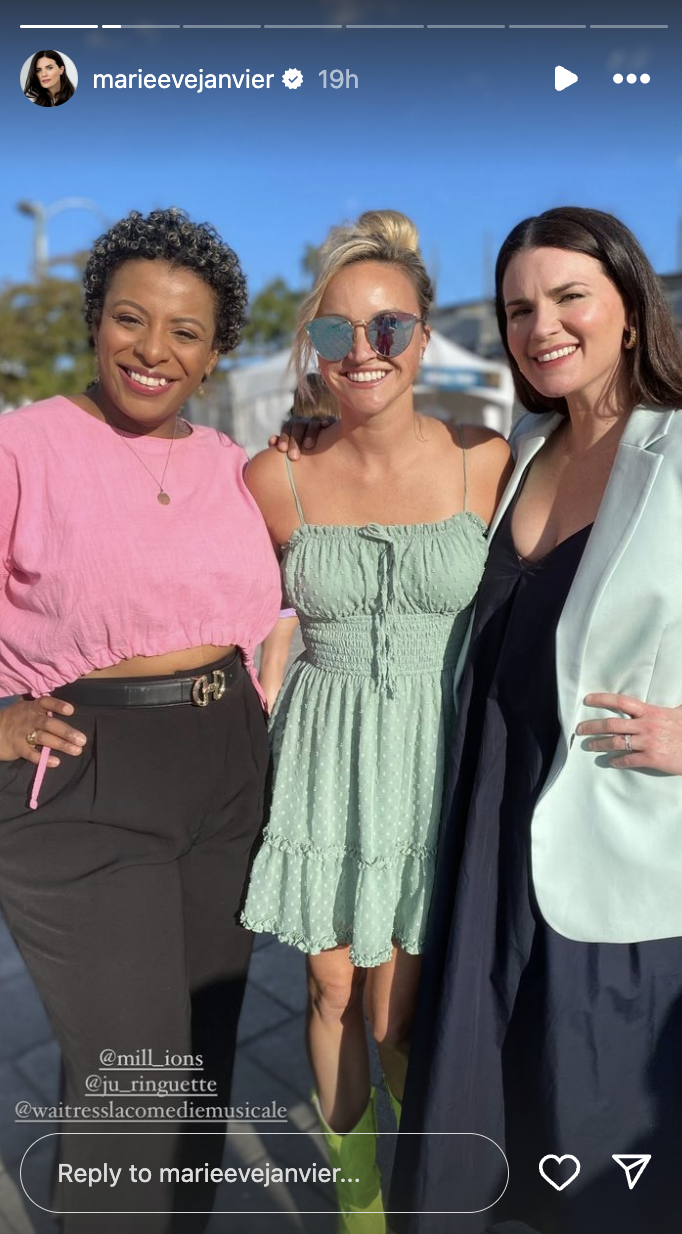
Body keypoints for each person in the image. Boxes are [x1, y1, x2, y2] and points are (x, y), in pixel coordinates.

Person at [388, 206, 682, 1234]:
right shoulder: (517, 446)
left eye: (568, 297)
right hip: (484, 834)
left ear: (631, 311)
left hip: (611, 847)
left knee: (599, 1158)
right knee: (479, 1136)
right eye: (519, 307)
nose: (539, 325)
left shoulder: (679, 451)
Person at [0, 208, 281, 1232]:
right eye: (130, 318)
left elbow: (276, 605)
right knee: (137, 1074)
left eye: (186, 332)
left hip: (226, 766)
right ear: (94, 321)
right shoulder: (23, 446)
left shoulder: (229, 463)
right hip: (84, 774)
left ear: (214, 356)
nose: (153, 349)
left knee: (201, 1058)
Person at [240, 209, 511, 1230]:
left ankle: (429, 1184)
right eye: (336, 332)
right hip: (325, 758)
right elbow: (202, 592)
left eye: (389, 327)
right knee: (329, 991)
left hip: (435, 759)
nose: (364, 352)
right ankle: (358, 1206)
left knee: (401, 1004)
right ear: (309, 346)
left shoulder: (487, 461)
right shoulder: (275, 477)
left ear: (425, 338)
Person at [258, 374, 339, 711]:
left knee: (272, 665)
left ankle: (271, 735)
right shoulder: (342, 455)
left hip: (289, 573)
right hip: (332, 577)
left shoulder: (283, 457)